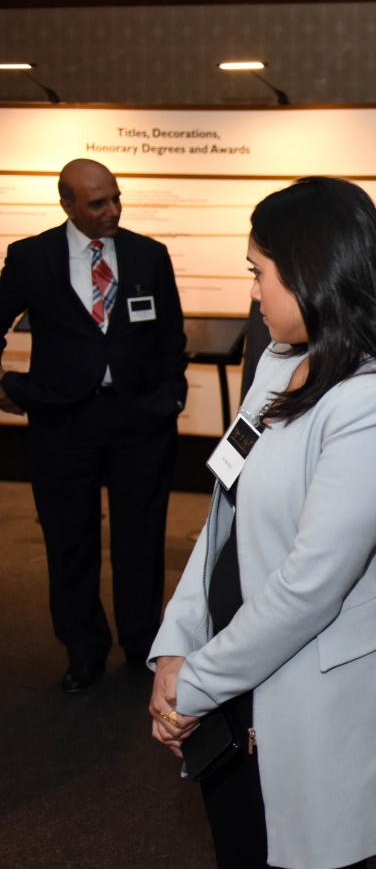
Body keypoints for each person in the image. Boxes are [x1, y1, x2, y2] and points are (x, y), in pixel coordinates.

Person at [147, 177, 376, 869]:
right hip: (231, 673)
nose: (253, 292)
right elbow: (223, 516)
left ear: (311, 274)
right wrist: (175, 645)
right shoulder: (280, 366)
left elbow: (311, 585)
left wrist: (198, 680)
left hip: (312, 694)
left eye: (259, 273)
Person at [0, 158, 186, 691]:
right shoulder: (31, 257)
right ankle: (83, 650)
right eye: (97, 203)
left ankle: (141, 642)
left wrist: (171, 393)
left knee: (141, 537)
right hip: (63, 419)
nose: (112, 211)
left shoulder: (149, 254)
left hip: (140, 419)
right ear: (67, 205)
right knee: (68, 539)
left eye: (116, 198)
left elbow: (170, 334)